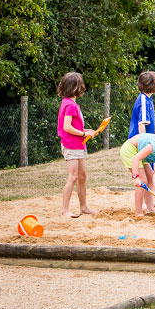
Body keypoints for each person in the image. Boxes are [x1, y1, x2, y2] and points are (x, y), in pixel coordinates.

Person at [57, 72, 98, 219]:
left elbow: (73, 126)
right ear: (75, 87)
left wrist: (86, 131)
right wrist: (83, 134)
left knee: (82, 176)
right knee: (73, 177)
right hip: (71, 145)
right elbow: (67, 127)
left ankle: (83, 207)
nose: (83, 87)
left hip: (78, 145)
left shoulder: (69, 103)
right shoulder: (70, 105)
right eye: (81, 84)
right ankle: (65, 210)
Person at [129, 71, 155, 138]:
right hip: (138, 142)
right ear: (151, 85)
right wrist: (144, 144)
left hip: (148, 139)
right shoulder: (143, 101)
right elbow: (141, 125)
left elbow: (152, 123)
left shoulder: (148, 98)